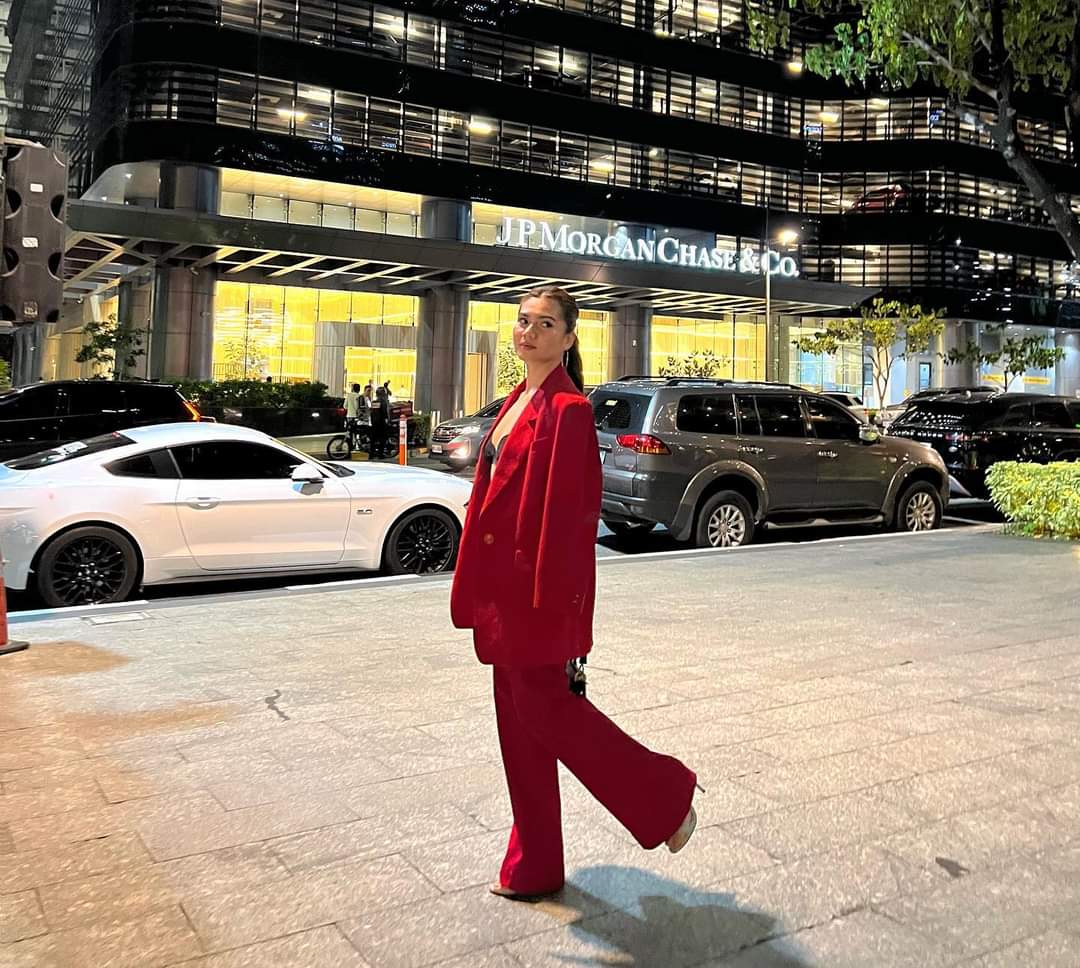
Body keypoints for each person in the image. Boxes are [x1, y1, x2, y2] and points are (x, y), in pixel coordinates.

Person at [451, 285, 698, 901]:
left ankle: (664, 797)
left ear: (567, 337)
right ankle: (534, 864)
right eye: (523, 321)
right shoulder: (517, 400)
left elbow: (570, 519)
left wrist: (560, 611)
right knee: (520, 734)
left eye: (545, 324)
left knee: (547, 712)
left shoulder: (568, 410)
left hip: (533, 598)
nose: (529, 332)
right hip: (499, 593)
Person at [372, 383, 390, 458]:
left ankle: (372, 454)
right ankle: (380, 454)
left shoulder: (374, 402)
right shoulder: (383, 402)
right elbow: (384, 412)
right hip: (381, 422)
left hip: (374, 422)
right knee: (382, 438)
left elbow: (373, 412)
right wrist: (387, 419)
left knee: (373, 438)